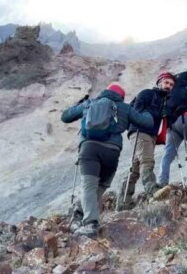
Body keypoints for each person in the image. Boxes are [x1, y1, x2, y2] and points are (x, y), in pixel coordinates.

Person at [61, 83, 153, 237]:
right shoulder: (124, 107)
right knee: (101, 185)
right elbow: (147, 123)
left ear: (105, 92)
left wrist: (79, 104)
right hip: (112, 151)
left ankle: (89, 223)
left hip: (89, 149)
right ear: (121, 97)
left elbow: (65, 117)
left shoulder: (90, 103)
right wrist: (147, 111)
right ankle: (79, 214)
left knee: (88, 186)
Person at [121, 72, 175, 208]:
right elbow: (136, 110)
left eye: (171, 85)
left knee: (134, 169)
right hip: (141, 131)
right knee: (147, 161)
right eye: (166, 82)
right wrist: (156, 114)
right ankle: (152, 191)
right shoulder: (147, 93)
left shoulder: (164, 101)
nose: (168, 86)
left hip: (148, 134)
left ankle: (123, 202)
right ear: (159, 82)